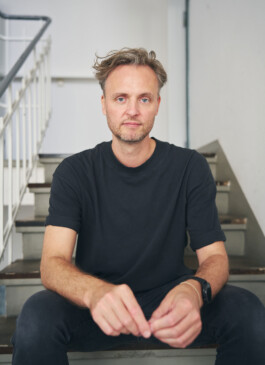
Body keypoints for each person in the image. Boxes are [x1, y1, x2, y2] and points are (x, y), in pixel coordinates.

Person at [12, 48, 265, 365]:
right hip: (97, 306)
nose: (132, 110)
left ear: (157, 104)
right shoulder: (74, 172)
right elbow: (52, 264)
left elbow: (215, 258)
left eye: (144, 99)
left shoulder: (190, 166)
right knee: (35, 317)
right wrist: (94, 293)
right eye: (120, 98)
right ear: (103, 104)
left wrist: (194, 289)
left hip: (170, 305)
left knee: (248, 311)